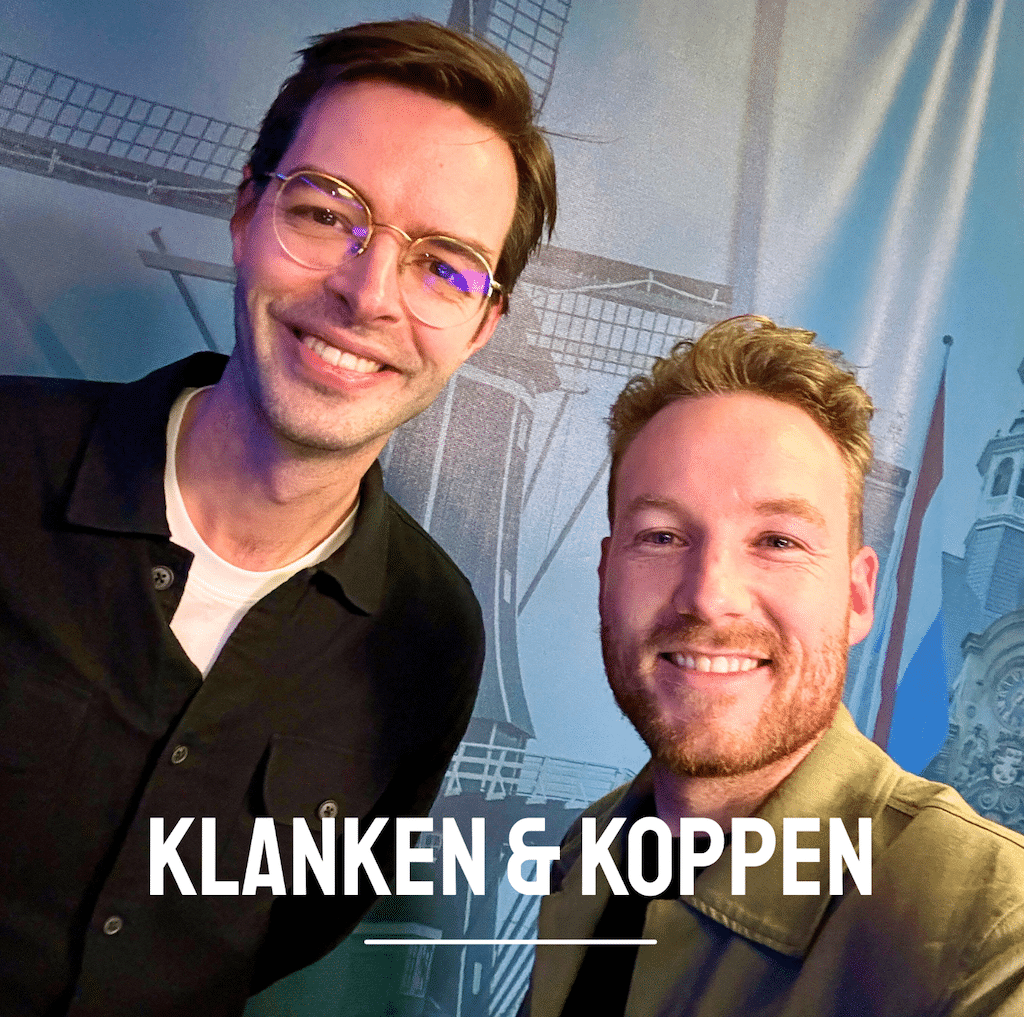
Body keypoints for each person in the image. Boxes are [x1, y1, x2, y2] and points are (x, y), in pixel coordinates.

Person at [0, 19, 556, 1016]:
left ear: (483, 326)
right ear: (247, 210)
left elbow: (301, 927)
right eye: (326, 213)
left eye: (443, 265)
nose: (366, 292)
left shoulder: (430, 639)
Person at [519, 317, 1024, 1016]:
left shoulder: (992, 930)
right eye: (661, 536)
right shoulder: (591, 848)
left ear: (858, 596)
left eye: (778, 541)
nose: (709, 595)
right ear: (607, 576)